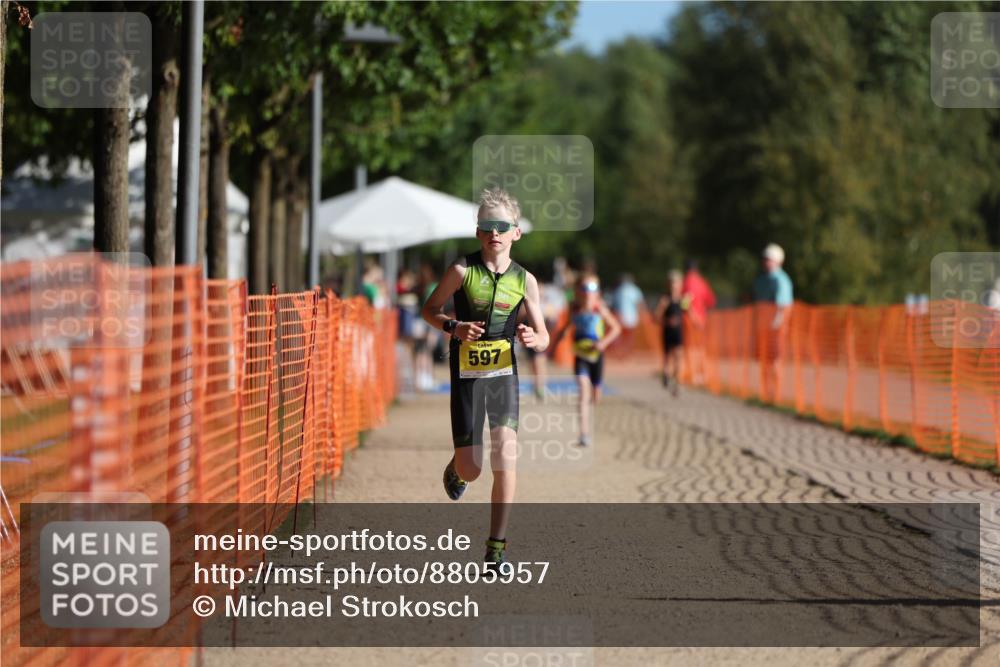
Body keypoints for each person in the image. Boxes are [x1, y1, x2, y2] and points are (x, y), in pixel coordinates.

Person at [421, 187, 549, 569]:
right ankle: (456, 468)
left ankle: (496, 549)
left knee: (505, 459)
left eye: (502, 226)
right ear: (478, 232)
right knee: (472, 469)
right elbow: (430, 309)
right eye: (487, 226)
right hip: (466, 376)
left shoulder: (526, 281)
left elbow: (543, 335)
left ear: (516, 232)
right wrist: (454, 327)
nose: (495, 232)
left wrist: (534, 338)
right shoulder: (462, 270)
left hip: (503, 375)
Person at [549, 276, 621, 447]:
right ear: (578, 293)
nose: (588, 295)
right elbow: (566, 328)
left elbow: (616, 328)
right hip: (580, 356)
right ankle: (584, 433)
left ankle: (593, 401)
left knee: (595, 395)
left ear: (596, 294)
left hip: (596, 356)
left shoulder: (599, 309)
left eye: (591, 291)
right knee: (583, 391)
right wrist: (554, 345)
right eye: (584, 290)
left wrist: (603, 343)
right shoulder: (574, 309)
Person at [752, 243, 794, 403]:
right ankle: (766, 392)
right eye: (765, 259)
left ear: (777, 261)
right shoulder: (761, 280)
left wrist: (776, 326)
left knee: (775, 361)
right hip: (764, 329)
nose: (766, 262)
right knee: (765, 361)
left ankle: (776, 394)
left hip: (776, 330)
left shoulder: (781, 281)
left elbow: (783, 307)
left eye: (769, 259)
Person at [681, 259, 716, 386]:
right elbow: (711, 301)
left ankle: (694, 374)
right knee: (700, 348)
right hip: (702, 319)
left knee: (691, 348)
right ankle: (702, 374)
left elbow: (685, 302)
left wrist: (692, 315)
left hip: (690, 320)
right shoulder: (702, 281)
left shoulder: (687, 281)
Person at [655, 270, 687, 396]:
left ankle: (677, 384)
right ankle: (666, 376)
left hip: (678, 332)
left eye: (677, 282)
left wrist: (697, 321)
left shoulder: (683, 299)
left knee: (678, 357)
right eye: (672, 283)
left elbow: (689, 312)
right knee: (667, 357)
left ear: (680, 284)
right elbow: (656, 317)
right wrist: (667, 321)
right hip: (667, 332)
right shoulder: (665, 300)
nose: (674, 285)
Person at [610, 273, 644, 356]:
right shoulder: (635, 290)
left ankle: (620, 352)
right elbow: (639, 304)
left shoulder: (619, 290)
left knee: (619, 335)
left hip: (620, 316)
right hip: (632, 317)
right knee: (629, 336)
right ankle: (627, 351)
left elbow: (614, 305)